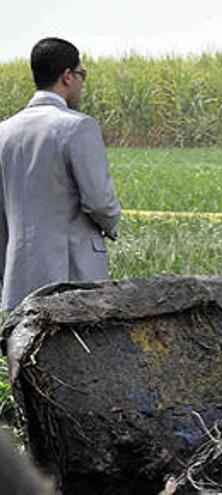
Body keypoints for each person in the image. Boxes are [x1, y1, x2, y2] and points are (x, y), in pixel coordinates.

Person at [0, 38, 121, 311]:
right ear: (67, 76)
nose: (81, 83)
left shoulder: (4, 132)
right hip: (72, 274)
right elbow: (100, 200)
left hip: (19, 279)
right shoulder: (78, 127)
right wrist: (112, 225)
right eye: (81, 75)